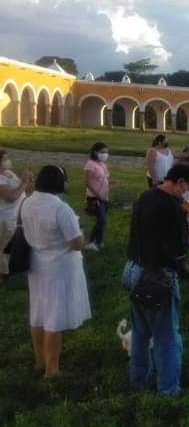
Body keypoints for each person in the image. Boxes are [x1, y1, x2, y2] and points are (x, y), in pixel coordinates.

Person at [122, 163, 189, 395]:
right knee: (166, 336)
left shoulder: (146, 195)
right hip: (157, 277)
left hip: (132, 269)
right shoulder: (174, 209)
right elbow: (179, 251)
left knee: (140, 332)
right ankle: (168, 389)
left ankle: (138, 381)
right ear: (181, 183)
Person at [23, 165, 90, 377]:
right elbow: (76, 243)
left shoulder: (27, 202)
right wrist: (82, 235)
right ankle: (52, 370)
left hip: (37, 263)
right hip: (60, 268)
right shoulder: (61, 209)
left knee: (38, 314)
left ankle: (39, 359)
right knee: (54, 319)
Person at [0, 149, 32, 275]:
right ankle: (4, 273)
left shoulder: (8, 173)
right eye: (5, 159)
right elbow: (11, 197)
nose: (8, 161)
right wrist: (25, 183)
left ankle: (12, 268)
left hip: (17, 216)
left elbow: (20, 189)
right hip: (5, 218)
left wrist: (26, 179)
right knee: (4, 246)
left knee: (13, 245)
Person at [83, 142, 111, 251]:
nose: (105, 154)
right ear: (95, 152)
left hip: (104, 197)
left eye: (106, 152)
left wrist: (115, 182)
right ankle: (91, 241)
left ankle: (99, 241)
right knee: (102, 220)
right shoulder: (90, 164)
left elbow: (105, 178)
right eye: (102, 152)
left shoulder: (102, 165)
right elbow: (87, 181)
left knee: (101, 220)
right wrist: (98, 195)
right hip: (95, 197)